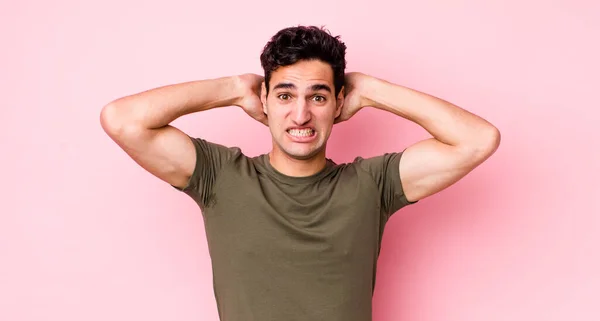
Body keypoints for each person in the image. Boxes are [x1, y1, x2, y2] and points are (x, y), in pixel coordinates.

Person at [100, 25, 500, 321]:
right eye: (286, 95)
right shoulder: (220, 177)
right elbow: (122, 119)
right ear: (265, 100)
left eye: (319, 97)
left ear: (339, 103)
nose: (301, 114)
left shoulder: (372, 184)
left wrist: (373, 90)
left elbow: (477, 139)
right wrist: (234, 88)